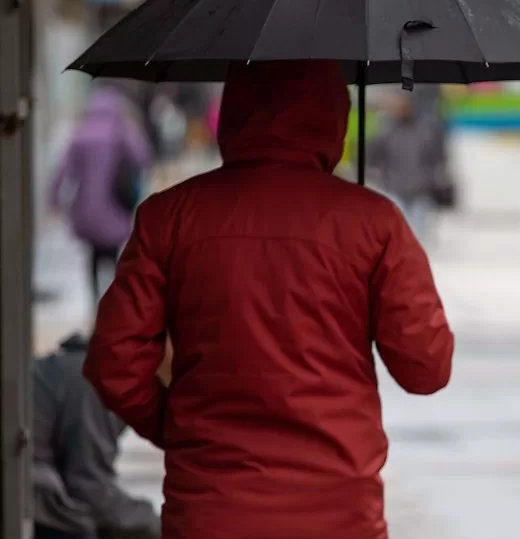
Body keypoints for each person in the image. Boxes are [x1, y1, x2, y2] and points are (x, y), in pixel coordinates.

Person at [83, 60, 455, 539]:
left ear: (235, 111)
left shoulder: (168, 217)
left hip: (210, 511)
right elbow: (426, 368)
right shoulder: (374, 223)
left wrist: (180, 429)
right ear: (332, 116)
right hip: (338, 514)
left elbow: (114, 361)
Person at [33, 333, 161, 539]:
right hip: (25, 492)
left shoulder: (87, 372)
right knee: (79, 523)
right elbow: (90, 490)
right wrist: (158, 525)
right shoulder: (98, 383)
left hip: (29, 485)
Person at [49, 83, 152, 303]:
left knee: (93, 253)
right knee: (112, 253)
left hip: (85, 206)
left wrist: (53, 198)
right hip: (114, 204)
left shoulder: (80, 133)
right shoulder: (121, 132)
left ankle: (95, 297)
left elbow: (63, 170)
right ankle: (112, 301)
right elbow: (142, 158)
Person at [366, 87, 447, 243]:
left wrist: (435, 175)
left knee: (417, 236)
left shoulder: (427, 126)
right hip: (393, 187)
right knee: (399, 234)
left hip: (421, 188)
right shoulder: (385, 127)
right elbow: (373, 155)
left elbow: (439, 154)